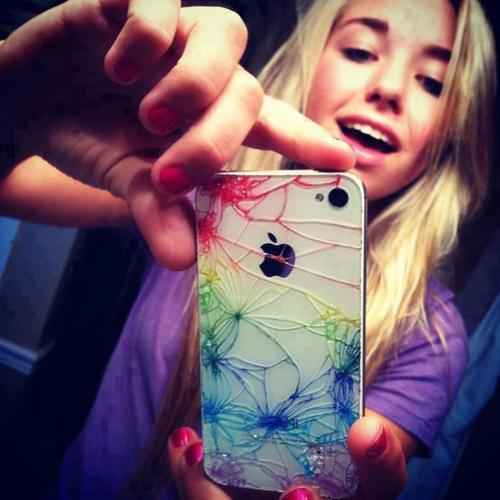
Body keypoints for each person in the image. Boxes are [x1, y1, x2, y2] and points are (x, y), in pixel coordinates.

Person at [0, 0, 496, 499]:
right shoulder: (200, 194)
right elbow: (12, 186)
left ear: (452, 128)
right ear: (311, 59)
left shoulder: (430, 337)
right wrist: (16, 106)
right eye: (361, 51)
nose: (389, 88)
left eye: (433, 82)